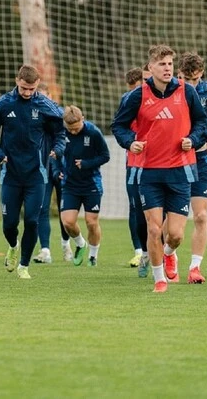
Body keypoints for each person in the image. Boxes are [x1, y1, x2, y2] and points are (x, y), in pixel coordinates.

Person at [112, 44, 207, 293]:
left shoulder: (187, 92)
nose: (167, 68)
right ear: (151, 67)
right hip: (149, 172)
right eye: (162, 64)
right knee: (154, 228)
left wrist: (193, 140)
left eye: (169, 64)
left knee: (174, 235)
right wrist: (130, 142)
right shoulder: (137, 96)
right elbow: (119, 126)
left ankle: (169, 254)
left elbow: (202, 123)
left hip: (180, 170)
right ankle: (159, 280)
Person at [0, 64, 66, 280]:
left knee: (32, 220)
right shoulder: (4, 103)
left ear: (37, 85)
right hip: (10, 173)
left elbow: (60, 132)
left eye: (31, 89)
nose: (27, 93)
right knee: (9, 224)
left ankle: (23, 265)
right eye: (23, 88)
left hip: (36, 174)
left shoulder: (46, 105)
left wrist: (57, 150)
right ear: (16, 81)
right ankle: (13, 245)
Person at [177, 53, 207, 283]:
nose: (192, 84)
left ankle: (195, 268)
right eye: (188, 79)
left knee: (201, 215)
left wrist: (205, 136)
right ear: (180, 75)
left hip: (201, 158)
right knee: (172, 220)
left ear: (202, 74)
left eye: (195, 79)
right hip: (174, 160)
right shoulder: (173, 92)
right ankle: (169, 256)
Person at [58, 105, 110, 266]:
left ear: (83, 119)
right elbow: (55, 154)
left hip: (91, 184)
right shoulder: (61, 132)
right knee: (67, 221)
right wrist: (57, 171)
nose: (73, 132)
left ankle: (93, 256)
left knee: (91, 222)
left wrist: (87, 164)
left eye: (76, 128)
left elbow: (105, 156)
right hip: (70, 184)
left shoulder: (93, 132)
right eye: (70, 129)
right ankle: (81, 243)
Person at [33, 81, 71, 264]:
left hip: (63, 169)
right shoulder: (33, 117)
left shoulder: (62, 115)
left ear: (50, 97)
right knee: (42, 208)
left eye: (43, 97)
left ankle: (66, 246)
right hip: (44, 167)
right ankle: (45, 250)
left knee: (65, 210)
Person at [122, 67, 145, 268]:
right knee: (134, 205)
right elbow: (120, 127)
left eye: (137, 88)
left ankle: (160, 251)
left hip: (158, 161)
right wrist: (130, 141)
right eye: (130, 89)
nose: (134, 93)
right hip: (133, 161)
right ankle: (139, 252)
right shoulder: (127, 100)